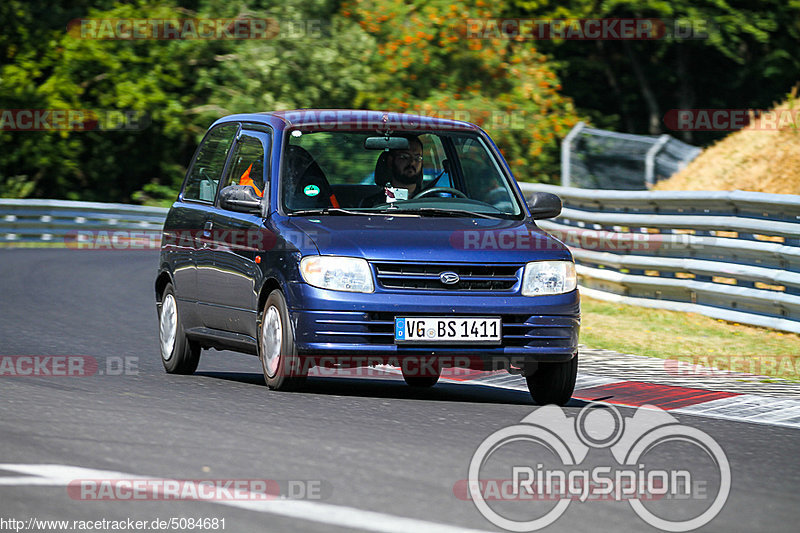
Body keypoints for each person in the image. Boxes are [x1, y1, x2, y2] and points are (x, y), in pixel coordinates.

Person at [361, 136, 424, 207]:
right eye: (404, 157)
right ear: (390, 161)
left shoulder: (432, 202)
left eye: (417, 158)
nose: (412, 163)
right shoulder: (372, 205)